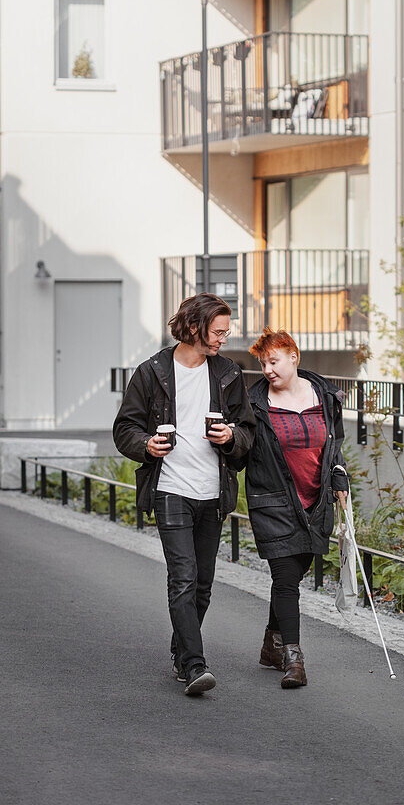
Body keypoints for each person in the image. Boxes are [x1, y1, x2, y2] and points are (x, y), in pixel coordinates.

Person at [113, 293, 255, 696]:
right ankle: (195, 665)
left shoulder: (228, 373)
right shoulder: (152, 371)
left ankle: (180, 653)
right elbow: (125, 428)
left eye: (227, 333)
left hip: (213, 492)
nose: (223, 340)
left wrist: (230, 437)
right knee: (183, 578)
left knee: (204, 585)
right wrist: (146, 446)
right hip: (171, 488)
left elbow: (248, 432)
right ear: (194, 327)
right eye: (217, 332)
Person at [246, 328, 349, 688]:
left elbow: (334, 447)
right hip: (272, 500)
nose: (268, 369)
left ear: (294, 356)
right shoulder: (254, 403)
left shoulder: (324, 395)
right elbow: (242, 447)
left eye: (273, 361)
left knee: (296, 569)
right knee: (286, 579)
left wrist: (339, 479)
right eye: (263, 364)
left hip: (316, 500)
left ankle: (270, 644)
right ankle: (294, 660)